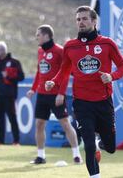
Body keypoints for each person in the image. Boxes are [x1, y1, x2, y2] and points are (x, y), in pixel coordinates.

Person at [45, 6, 123, 178]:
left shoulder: (107, 43)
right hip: (81, 102)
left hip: (104, 101)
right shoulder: (70, 46)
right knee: (88, 144)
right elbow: (64, 70)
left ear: (94, 21)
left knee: (111, 147)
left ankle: (101, 144)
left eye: (84, 18)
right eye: (78, 19)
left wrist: (111, 76)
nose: (81, 22)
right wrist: (54, 81)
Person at [26, 25, 82, 165]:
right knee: (39, 124)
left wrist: (61, 93)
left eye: (38, 35)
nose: (36, 37)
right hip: (42, 94)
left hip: (56, 94)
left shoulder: (59, 51)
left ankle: (76, 155)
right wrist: (33, 89)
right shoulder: (40, 51)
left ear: (46, 36)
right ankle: (40, 156)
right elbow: (40, 72)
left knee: (65, 123)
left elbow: (66, 73)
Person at [0, 41, 24, 145]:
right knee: (0, 118)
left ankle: (16, 141)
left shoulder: (14, 62)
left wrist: (9, 75)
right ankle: (0, 140)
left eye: (1, 49)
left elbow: (21, 77)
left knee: (12, 117)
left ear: (5, 50)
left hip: (9, 95)